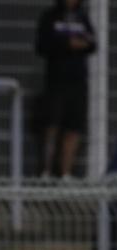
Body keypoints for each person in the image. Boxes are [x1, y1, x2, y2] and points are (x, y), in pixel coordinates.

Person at [35, 0, 96, 178]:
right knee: (51, 125)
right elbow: (41, 45)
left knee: (73, 127)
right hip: (56, 82)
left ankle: (66, 173)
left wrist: (82, 44)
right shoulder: (50, 17)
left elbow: (92, 42)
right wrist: (66, 44)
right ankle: (45, 171)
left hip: (77, 82)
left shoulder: (82, 17)